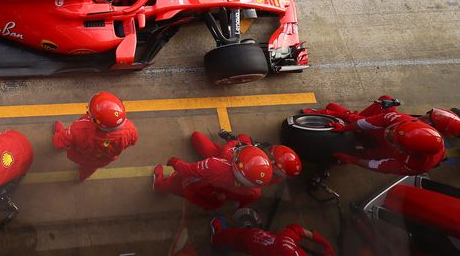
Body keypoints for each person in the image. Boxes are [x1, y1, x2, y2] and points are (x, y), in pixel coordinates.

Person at [308, 101, 446, 174]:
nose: (388, 133)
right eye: (393, 130)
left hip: (384, 151)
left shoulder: (414, 165)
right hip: (379, 135)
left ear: (408, 151)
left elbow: (377, 166)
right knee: (384, 102)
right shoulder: (400, 119)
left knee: (361, 154)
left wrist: (353, 159)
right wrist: (342, 125)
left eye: (393, 138)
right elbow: (364, 122)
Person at [152, 145, 272, 210]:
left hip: (195, 187)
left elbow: (187, 170)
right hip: (212, 201)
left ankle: (159, 185)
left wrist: (174, 162)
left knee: (178, 182)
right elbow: (239, 204)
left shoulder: (216, 166)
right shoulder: (255, 192)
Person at [53, 92, 139, 181]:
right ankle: (82, 177)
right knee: (88, 170)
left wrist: (61, 134)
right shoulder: (130, 129)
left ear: (95, 120)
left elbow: (59, 142)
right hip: (102, 160)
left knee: (66, 139)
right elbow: (133, 141)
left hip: (81, 156)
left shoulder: (79, 129)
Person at [304, 95, 460, 138]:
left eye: (429, 118)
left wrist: (331, 115)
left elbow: (363, 123)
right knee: (385, 99)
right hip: (382, 130)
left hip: (375, 134)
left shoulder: (404, 123)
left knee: (332, 107)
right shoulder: (426, 136)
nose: (425, 115)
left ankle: (329, 114)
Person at [191, 130, 301, 185]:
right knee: (243, 137)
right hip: (239, 161)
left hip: (229, 163)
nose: (270, 151)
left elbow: (227, 155)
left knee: (197, 137)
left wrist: (233, 142)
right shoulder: (274, 175)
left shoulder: (257, 171)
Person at [211, 218, 335, 256]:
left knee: (238, 237)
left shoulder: (288, 249)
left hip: (253, 241)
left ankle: (216, 239)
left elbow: (295, 229)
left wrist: (325, 243)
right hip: (258, 249)